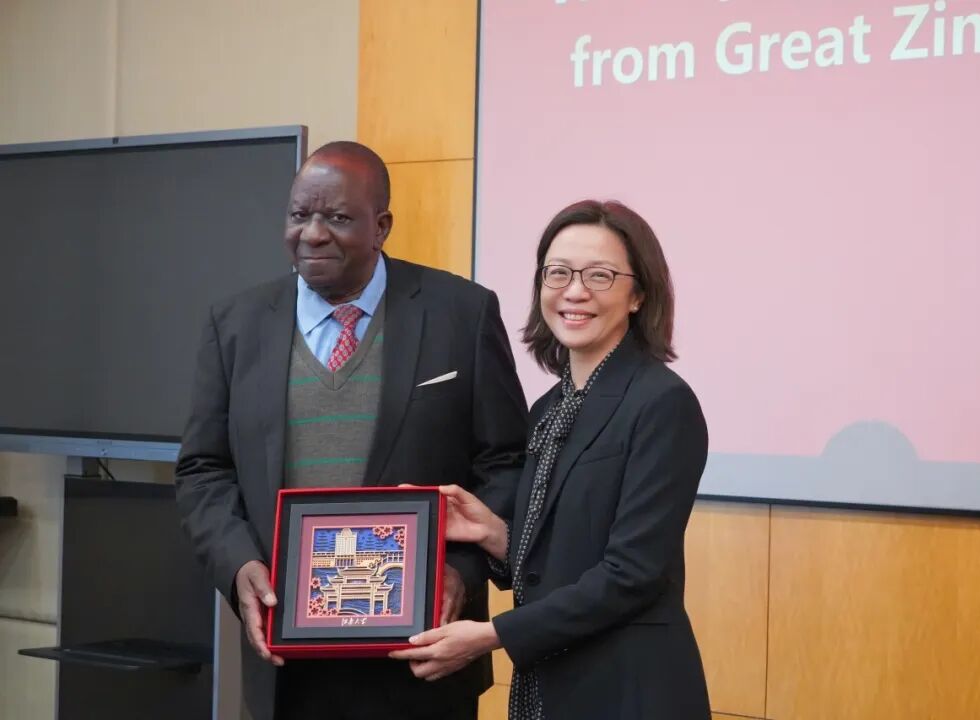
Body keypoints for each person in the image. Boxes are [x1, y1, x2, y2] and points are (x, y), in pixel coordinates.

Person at [174, 141, 528, 720]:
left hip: (421, 662)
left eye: (337, 218)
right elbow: (203, 469)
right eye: (299, 215)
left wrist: (460, 573)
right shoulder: (235, 324)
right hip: (287, 666)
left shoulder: (461, 313)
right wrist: (238, 566)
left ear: (381, 226)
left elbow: (506, 462)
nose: (312, 234)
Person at [390, 200, 712, 719]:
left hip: (628, 690)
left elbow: (632, 573)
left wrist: (492, 634)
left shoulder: (662, 402)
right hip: (552, 683)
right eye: (558, 272)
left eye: (600, 275)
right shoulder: (548, 410)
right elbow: (565, 560)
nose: (574, 291)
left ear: (639, 295)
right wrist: (493, 533)